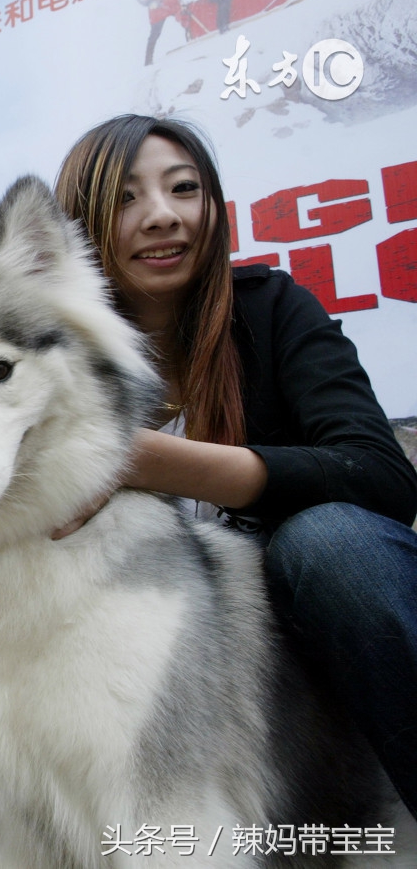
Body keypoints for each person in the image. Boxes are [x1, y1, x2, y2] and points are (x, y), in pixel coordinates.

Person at [53, 113, 417, 813]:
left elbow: (380, 476)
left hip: (292, 631)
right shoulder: (43, 362)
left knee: (337, 543)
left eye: (183, 189)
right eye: (127, 197)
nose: (162, 216)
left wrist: (153, 461)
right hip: (137, 665)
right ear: (78, 222)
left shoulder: (272, 308)